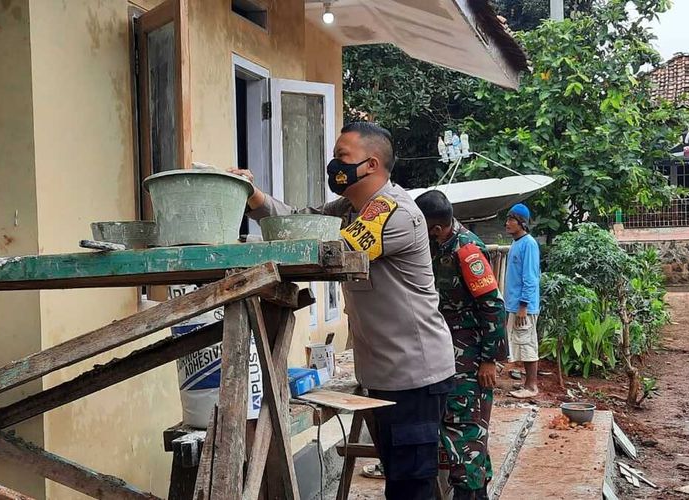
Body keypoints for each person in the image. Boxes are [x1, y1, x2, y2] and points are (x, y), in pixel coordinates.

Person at [229, 122, 455, 499]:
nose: (334, 164)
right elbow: (297, 222)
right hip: (383, 371)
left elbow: (330, 251)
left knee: (410, 488)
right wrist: (253, 196)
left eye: (342, 156)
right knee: (401, 482)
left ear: (370, 164)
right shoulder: (350, 208)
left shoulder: (395, 212)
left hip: (416, 374)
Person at [415, 190, 506, 500]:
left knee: (464, 427)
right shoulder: (441, 244)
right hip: (450, 352)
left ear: (437, 228)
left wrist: (489, 360)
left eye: (423, 227)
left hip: (470, 358)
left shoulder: (466, 252)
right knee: (469, 434)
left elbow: (493, 306)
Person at [504, 203, 541, 399]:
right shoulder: (516, 243)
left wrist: (523, 305)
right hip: (515, 304)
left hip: (523, 306)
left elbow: (531, 277)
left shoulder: (529, 244)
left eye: (511, 220)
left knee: (527, 343)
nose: (507, 223)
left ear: (522, 223)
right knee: (520, 343)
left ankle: (532, 386)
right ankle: (526, 383)